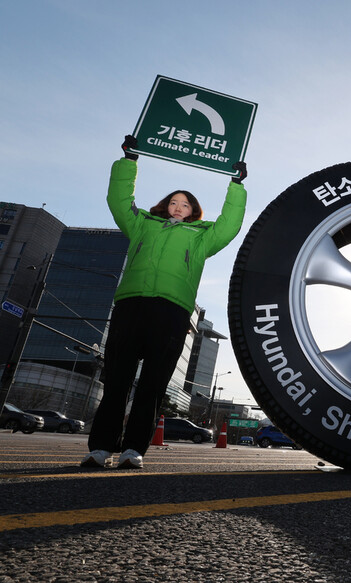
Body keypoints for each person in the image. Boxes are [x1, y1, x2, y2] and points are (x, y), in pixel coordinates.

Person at [81, 136, 248, 469]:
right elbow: (119, 200)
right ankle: (101, 448)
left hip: (171, 313)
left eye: (185, 204)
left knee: (153, 385)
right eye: (174, 201)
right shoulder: (141, 224)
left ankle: (133, 450)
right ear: (165, 205)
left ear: (194, 212)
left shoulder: (202, 237)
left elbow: (229, 226)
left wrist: (236, 185)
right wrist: (129, 161)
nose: (178, 207)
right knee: (116, 381)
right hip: (131, 306)